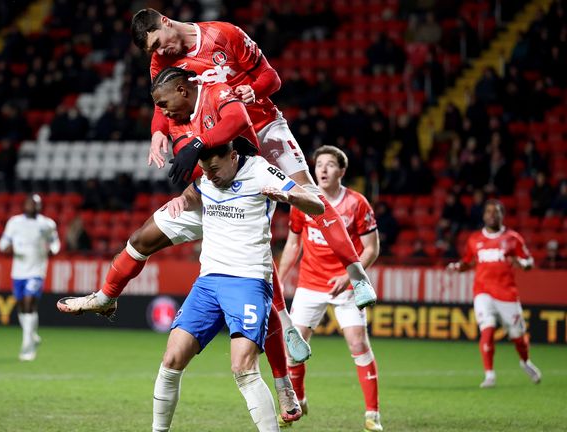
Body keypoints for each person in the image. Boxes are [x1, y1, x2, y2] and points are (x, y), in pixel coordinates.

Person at [60, 6, 376, 344]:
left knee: (310, 196)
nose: (159, 52)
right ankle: (285, 328)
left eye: (158, 43)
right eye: (152, 50)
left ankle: (356, 275)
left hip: (263, 126)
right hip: (223, 147)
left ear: (165, 22)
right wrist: (157, 132)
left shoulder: (223, 34)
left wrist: (254, 90)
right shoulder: (161, 64)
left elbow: (272, 78)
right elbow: (161, 105)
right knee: (247, 237)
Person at [61, 68, 308, 423]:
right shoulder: (174, 119)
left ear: (182, 90)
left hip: (243, 198)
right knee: (140, 239)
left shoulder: (215, 94)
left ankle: (283, 383)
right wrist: (159, 137)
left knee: (257, 282)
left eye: (164, 104)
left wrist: (196, 145)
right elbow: (196, 166)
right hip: (203, 197)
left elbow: (238, 120)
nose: (162, 111)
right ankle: (106, 296)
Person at [152, 142, 323, 432]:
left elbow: (317, 205)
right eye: (205, 171)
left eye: (215, 169)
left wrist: (288, 196)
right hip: (208, 282)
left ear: (233, 156)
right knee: (171, 360)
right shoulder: (208, 177)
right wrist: (182, 200)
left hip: (248, 281)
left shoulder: (261, 170)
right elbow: (195, 192)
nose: (211, 176)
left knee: (243, 368)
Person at [277, 146, 383, 432]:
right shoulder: (303, 199)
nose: (323, 169)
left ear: (342, 171)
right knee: (294, 348)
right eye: (319, 164)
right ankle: (298, 401)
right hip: (310, 284)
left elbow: (372, 248)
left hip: (345, 286)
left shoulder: (357, 203)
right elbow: (293, 244)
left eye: (330, 164)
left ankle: (372, 415)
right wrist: (279, 278)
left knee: (358, 344)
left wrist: (348, 278)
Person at [447, 200, 542, 388]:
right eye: (489, 212)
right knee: (487, 330)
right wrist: (457, 267)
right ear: (483, 215)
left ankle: (525, 361)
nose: (492, 215)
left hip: (507, 294)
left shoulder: (513, 238)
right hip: (482, 292)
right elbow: (468, 261)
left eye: (496, 212)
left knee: (518, 335)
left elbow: (529, 261)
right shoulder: (474, 239)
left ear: (502, 215)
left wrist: (523, 264)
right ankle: (489, 375)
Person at [0, 194, 60, 361]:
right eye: (29, 203)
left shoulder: (47, 224)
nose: (32, 206)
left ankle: (27, 347)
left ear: (40, 206)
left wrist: (53, 250)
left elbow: (55, 242)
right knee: (21, 306)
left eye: (35, 204)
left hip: (37, 270)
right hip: (18, 271)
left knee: (29, 302)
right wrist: (7, 248)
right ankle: (32, 336)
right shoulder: (14, 222)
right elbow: (2, 244)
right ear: (24, 205)